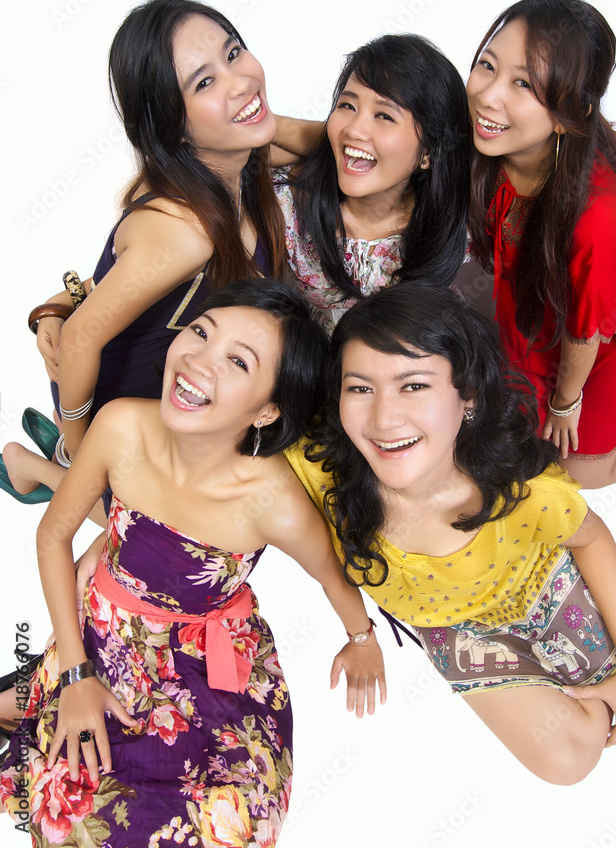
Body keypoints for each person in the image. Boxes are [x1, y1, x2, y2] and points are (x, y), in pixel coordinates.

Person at [0, 280, 386, 845]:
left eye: (238, 361)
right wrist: (77, 675)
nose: (200, 361)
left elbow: (332, 576)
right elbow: (51, 536)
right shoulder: (121, 426)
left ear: (267, 409)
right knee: (78, 819)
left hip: (209, 669)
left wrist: (362, 639)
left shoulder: (273, 502)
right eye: (201, 332)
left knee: (230, 826)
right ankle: (33, 686)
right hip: (106, 640)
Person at [286, 282, 616, 785]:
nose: (383, 418)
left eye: (413, 386)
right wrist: (360, 636)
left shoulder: (523, 490)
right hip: (457, 626)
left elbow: (590, 538)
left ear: (468, 396)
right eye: (359, 389)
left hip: (544, 579)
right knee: (570, 762)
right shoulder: (319, 466)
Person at [2, 0, 285, 506]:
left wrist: (59, 304)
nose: (239, 81)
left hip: (174, 383)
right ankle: (37, 466)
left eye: (233, 52)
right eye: (204, 83)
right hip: (113, 395)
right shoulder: (186, 231)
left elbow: (335, 139)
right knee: (183, 527)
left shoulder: (239, 157)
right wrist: (85, 453)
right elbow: (80, 341)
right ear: (173, 125)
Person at [465, 0, 616, 488]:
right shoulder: (487, 137)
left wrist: (565, 403)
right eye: (487, 65)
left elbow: (584, 329)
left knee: (575, 473)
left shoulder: (594, 209)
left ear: (568, 112)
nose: (488, 95)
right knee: (512, 440)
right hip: (537, 312)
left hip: (603, 332)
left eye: (523, 83)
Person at [271, 33, 471, 331]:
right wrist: (273, 124)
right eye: (348, 106)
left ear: (428, 152)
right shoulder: (288, 205)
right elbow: (236, 144)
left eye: (384, 116)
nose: (354, 130)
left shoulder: (457, 221)